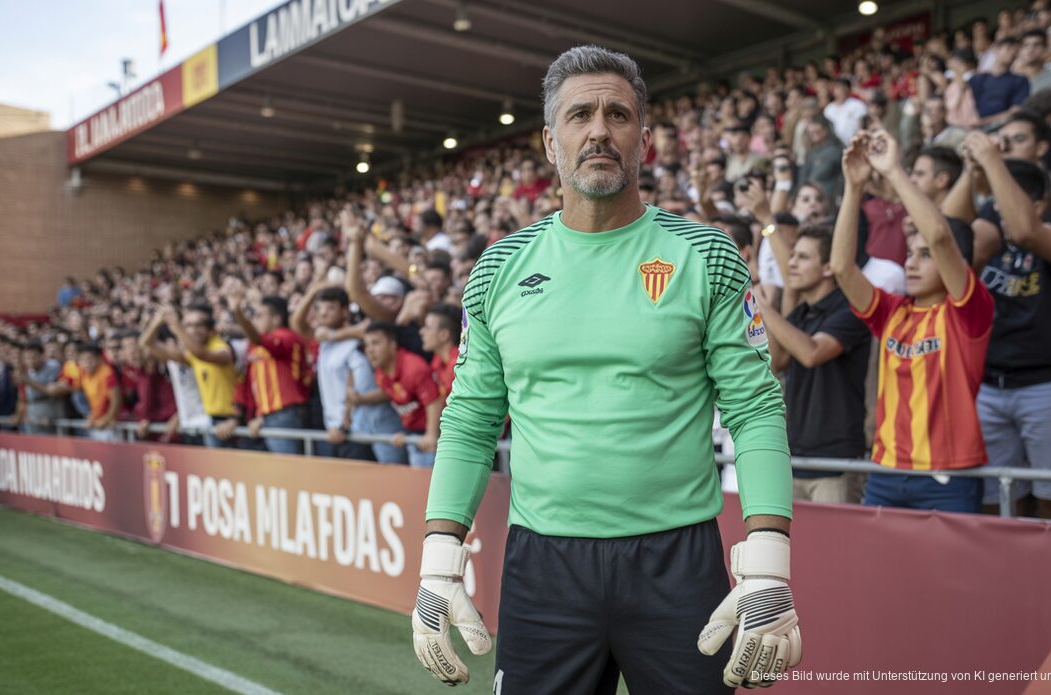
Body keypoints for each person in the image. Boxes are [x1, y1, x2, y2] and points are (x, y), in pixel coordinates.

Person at [413, 46, 800, 692]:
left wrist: (768, 560)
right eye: (580, 114)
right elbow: (471, 420)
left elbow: (756, 406)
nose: (598, 129)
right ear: (549, 141)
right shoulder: (498, 269)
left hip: (678, 562)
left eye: (617, 114)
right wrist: (436, 559)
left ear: (643, 140)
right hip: (543, 567)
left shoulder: (706, 255)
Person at [831, 129, 994, 512]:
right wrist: (854, 188)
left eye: (923, 256)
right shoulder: (891, 311)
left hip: (947, 475)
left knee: (946, 574)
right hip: (885, 471)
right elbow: (841, 267)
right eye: (910, 253)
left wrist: (893, 171)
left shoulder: (968, 312)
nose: (911, 262)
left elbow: (939, 236)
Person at [963, 133, 1051, 520]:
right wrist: (973, 174)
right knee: (995, 500)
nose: (998, 209)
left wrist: (992, 160)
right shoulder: (989, 239)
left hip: (1047, 387)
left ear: (1039, 203)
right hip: (989, 386)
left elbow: (1025, 231)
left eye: (1006, 198)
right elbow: (956, 235)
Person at [754, 223, 871, 503]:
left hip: (837, 463)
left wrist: (764, 309)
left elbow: (811, 353)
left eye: (803, 257)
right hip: (796, 457)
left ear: (829, 267)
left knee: (836, 548)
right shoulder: (799, 315)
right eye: (792, 256)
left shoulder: (852, 310)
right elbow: (778, 362)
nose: (791, 264)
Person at [291, 283, 397, 462]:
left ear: (345, 311)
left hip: (354, 432)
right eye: (319, 308)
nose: (323, 313)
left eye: (330, 307)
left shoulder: (357, 344)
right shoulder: (324, 340)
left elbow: (358, 387)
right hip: (332, 431)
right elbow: (297, 324)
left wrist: (343, 425)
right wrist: (312, 292)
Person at [140, 305, 239, 448]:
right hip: (211, 422)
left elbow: (202, 354)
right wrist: (158, 320)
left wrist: (176, 325)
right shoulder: (192, 355)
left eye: (198, 325)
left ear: (210, 329)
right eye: (189, 326)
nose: (192, 330)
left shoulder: (220, 347)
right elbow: (146, 344)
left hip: (231, 421)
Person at [227, 293, 310, 454]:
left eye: (259, 316)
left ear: (276, 319)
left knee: (287, 471)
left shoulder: (287, 337)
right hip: (268, 416)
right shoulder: (256, 346)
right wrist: (261, 416)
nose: (255, 320)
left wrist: (238, 313)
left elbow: (260, 340)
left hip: (286, 414)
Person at [361, 321, 443, 468]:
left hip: (433, 437)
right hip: (413, 435)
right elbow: (394, 394)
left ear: (393, 344)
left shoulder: (414, 368)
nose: (370, 350)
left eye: (375, 343)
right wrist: (404, 433)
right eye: (367, 345)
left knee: (426, 486)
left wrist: (431, 434)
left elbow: (434, 400)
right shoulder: (380, 372)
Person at [970, 36, 1030, 126]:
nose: (1012, 53)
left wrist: (982, 122)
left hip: (1002, 127)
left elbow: (1015, 112)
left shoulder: (1020, 80)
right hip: (970, 127)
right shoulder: (977, 78)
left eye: (1016, 51)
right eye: (1008, 48)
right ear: (996, 49)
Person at [10, 342, 64, 434]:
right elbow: (23, 397)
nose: (30, 361)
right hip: (32, 419)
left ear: (42, 355)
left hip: (50, 419)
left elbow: (51, 392)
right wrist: (19, 415)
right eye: (27, 358)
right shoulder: (27, 371)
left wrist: (28, 381)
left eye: (33, 357)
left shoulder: (53, 367)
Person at [421, 303, 462, 399]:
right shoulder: (438, 360)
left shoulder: (460, 367)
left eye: (427, 328)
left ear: (444, 335)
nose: (421, 332)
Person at [1017, 28, 1051, 94]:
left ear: (1045, 49)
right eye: (1025, 45)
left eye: (1036, 45)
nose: (1030, 49)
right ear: (1020, 50)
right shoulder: (1012, 78)